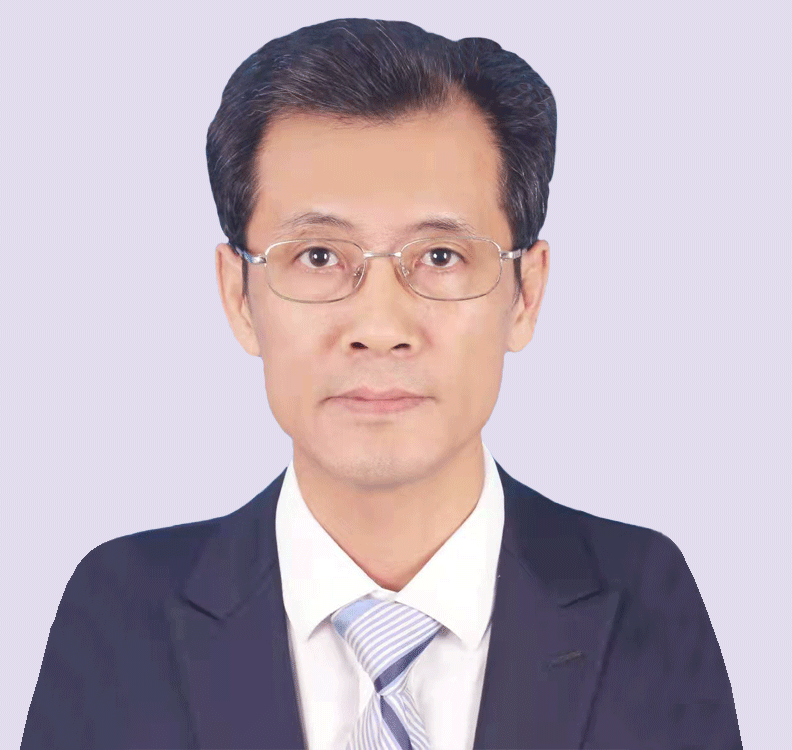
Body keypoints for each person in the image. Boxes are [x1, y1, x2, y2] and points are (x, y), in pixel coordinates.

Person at [21, 17, 741, 750]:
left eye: (440, 256)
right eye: (318, 256)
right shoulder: (120, 615)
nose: (379, 326)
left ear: (526, 294)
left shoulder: (645, 599)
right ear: (239, 295)